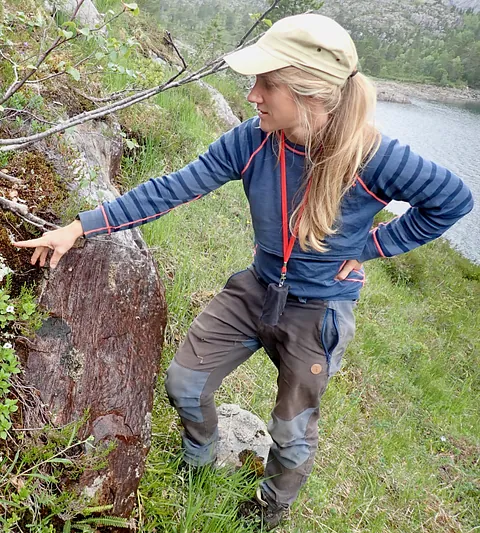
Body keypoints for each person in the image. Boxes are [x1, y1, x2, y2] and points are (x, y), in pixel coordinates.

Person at [15, 14, 473, 530]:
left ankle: (267, 510)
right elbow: (172, 188)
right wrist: (79, 227)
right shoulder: (252, 140)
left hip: (319, 309)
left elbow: (452, 202)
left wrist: (375, 246)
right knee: (185, 384)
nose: (253, 94)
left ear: (307, 93)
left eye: (266, 83)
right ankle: (200, 461)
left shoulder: (375, 158)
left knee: (291, 433)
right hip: (256, 287)